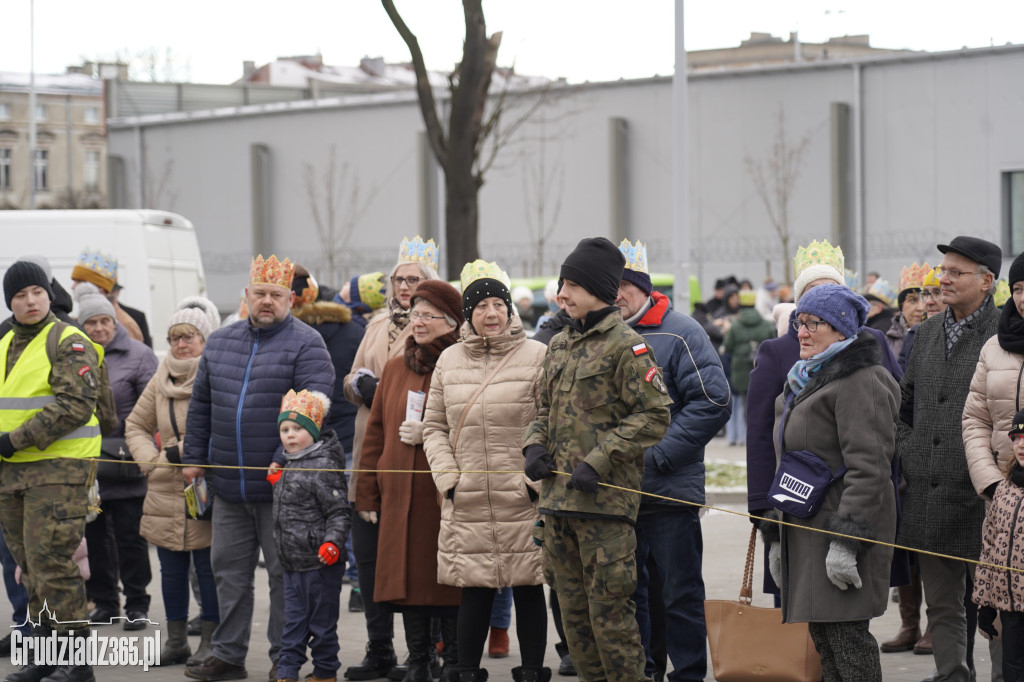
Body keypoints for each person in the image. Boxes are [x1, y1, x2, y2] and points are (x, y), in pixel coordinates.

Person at [523, 237, 672, 682]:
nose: (561, 294)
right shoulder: (560, 345)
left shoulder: (628, 346)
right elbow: (543, 411)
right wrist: (533, 446)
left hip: (604, 510)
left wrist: (599, 460)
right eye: (561, 283)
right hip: (557, 508)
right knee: (576, 627)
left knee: (613, 626)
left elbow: (655, 414)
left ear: (597, 289)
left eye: (570, 284)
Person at [182, 254, 334, 682]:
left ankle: (282, 659)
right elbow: (202, 407)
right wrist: (194, 458)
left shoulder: (307, 344)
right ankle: (228, 655)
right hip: (227, 484)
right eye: (260, 294)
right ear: (246, 296)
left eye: (276, 295)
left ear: (291, 298)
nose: (267, 301)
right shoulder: (221, 342)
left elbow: (313, 412)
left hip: (284, 488)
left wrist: (282, 460)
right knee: (228, 574)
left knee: (284, 579)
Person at [747, 239, 902, 599]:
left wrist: (850, 534)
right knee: (801, 617)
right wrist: (767, 519)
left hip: (841, 506)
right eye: (811, 299)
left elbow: (878, 439)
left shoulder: (867, 354)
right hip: (792, 502)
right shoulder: (783, 354)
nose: (806, 328)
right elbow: (760, 436)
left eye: (831, 294)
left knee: (839, 622)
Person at [760, 283, 899, 680]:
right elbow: (787, 463)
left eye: (813, 324)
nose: (801, 332)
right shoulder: (804, 377)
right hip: (806, 529)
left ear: (840, 330)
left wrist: (846, 543)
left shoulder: (862, 380)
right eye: (798, 323)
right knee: (825, 643)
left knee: (848, 644)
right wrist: (776, 533)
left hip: (840, 532)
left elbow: (870, 468)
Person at [422, 260, 549, 681]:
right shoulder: (449, 361)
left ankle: (531, 671)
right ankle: (464, 671)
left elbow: (551, 421)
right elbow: (434, 427)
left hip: (522, 495)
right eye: (481, 306)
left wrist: (532, 482)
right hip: (468, 495)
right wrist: (449, 480)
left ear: (510, 309)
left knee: (530, 587)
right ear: (468, 314)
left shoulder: (537, 356)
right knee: (473, 590)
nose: (491, 313)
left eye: (499, 304)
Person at [614, 239, 731, 682]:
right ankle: (644, 671)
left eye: (625, 285)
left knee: (679, 594)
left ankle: (688, 674)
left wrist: (659, 456)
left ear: (643, 287)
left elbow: (713, 401)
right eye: (610, 286)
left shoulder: (681, 331)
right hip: (616, 493)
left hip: (668, 491)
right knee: (631, 594)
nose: (616, 295)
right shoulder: (601, 335)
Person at [897, 236, 1002, 682]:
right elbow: (905, 407)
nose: (943, 279)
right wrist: (912, 451)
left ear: (987, 281)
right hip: (930, 489)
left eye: (956, 272)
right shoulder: (923, 335)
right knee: (942, 603)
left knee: (1000, 602)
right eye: (943, 270)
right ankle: (952, 675)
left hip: (987, 493)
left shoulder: (1004, 335)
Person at [355, 280, 465, 681]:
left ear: (451, 321)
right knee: (410, 583)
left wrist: (435, 431)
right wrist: (366, 492)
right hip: (401, 494)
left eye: (427, 315)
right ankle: (418, 658)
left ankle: (454, 660)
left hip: (444, 494)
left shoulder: (462, 363)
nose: (417, 322)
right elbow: (376, 433)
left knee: (448, 581)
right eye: (415, 314)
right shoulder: (397, 366)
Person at [343, 237, 441, 681]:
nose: (405, 286)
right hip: (373, 448)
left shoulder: (438, 326)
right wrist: (360, 387)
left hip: (416, 458)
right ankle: (378, 646)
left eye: (414, 279)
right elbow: (351, 376)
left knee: (420, 559)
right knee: (369, 558)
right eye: (399, 279)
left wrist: (381, 389)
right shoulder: (377, 325)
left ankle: (426, 651)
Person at [0, 261, 102, 682]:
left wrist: (13, 440)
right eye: (20, 295)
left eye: (36, 293)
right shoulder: (5, 339)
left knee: (53, 563)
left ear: (48, 294)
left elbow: (75, 404)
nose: (30, 301)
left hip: (58, 468)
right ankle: (45, 656)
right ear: (10, 301)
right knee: (28, 566)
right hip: (12, 474)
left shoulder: (68, 338)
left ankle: (78, 665)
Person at [124, 297, 221, 666]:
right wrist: (152, 462)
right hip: (165, 490)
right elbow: (135, 425)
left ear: (205, 340)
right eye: (175, 337)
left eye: (190, 337)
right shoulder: (161, 376)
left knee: (208, 570)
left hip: (205, 488)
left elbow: (224, 428)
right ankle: (176, 640)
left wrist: (191, 452)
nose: (181, 344)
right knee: (171, 571)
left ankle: (210, 642)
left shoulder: (214, 375)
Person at [77, 292, 157, 630]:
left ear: (114, 321)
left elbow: (150, 408)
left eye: (104, 321)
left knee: (130, 536)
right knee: (94, 537)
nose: (98, 328)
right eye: (91, 322)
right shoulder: (74, 354)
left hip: (126, 460)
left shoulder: (139, 356)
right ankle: (106, 602)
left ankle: (137, 603)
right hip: (87, 462)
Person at [290, 265, 365, 610]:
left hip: (307, 436)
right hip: (351, 432)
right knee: (349, 508)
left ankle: (320, 581)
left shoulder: (295, 333)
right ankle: (359, 584)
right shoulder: (355, 328)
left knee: (314, 511)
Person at [268, 389, 351, 682]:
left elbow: (339, 511)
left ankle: (326, 672)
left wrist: (333, 542)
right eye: (285, 429)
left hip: (319, 564)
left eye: (298, 429)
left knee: (322, 624)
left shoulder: (324, 465)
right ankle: (288, 672)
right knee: (293, 622)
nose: (290, 435)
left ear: (314, 431)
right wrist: (279, 483)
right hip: (292, 562)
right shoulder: (289, 464)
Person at [973, 408, 1024, 680]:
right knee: (1012, 671)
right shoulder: (1003, 491)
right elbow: (989, 551)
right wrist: (985, 604)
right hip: (1010, 607)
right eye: (1016, 436)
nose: (1021, 444)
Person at [722, 289, 773, 448]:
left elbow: (728, 346)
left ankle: (748, 435)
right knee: (763, 402)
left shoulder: (735, 326)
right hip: (762, 367)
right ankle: (762, 433)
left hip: (741, 370)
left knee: (745, 403)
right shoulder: (766, 324)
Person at [69, 248, 144, 344]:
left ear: (100, 288)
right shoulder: (79, 318)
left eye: (79, 281)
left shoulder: (124, 324)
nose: (73, 287)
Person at [884, 264, 929, 359]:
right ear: (902, 306)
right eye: (912, 300)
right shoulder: (887, 342)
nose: (921, 308)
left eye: (925, 299)